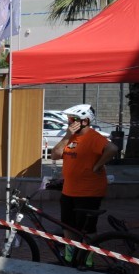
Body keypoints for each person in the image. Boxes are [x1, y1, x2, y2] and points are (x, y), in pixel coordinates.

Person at [49, 105, 118, 265]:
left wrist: (98, 165)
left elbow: (113, 148)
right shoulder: (71, 137)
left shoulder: (94, 137)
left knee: (87, 229)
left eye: (73, 119)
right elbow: (55, 155)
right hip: (69, 190)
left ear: (85, 121)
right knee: (68, 226)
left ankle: (87, 260)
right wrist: (67, 136)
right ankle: (70, 258)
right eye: (69, 119)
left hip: (89, 192)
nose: (69, 122)